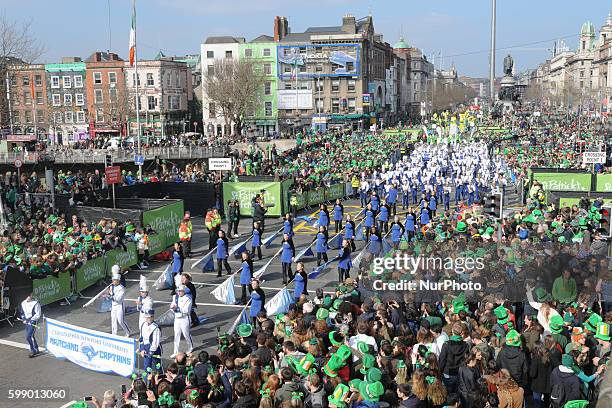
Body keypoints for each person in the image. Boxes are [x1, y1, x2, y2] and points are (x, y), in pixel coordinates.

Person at [171, 284, 193, 358]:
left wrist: (177, 308)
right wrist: (172, 307)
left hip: (185, 318)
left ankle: (190, 347)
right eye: (178, 291)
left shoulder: (188, 298)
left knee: (186, 334)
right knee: (176, 335)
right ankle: (175, 351)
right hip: (177, 318)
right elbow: (172, 306)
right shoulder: (175, 297)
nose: (179, 292)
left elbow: (186, 310)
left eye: (180, 291)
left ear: (184, 291)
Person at [108, 271, 130, 337]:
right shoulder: (111, 287)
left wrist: (110, 294)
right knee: (113, 320)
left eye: (115, 280)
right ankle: (114, 334)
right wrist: (107, 295)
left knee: (120, 321)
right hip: (113, 306)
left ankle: (127, 332)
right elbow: (111, 297)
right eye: (113, 280)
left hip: (120, 305)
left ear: (118, 281)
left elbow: (118, 299)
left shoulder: (122, 288)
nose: (113, 281)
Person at [20, 292, 41, 357]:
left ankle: (33, 350)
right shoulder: (23, 303)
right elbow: (22, 312)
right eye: (26, 296)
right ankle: (36, 348)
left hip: (33, 321)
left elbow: (38, 314)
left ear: (31, 295)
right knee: (31, 336)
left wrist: (31, 320)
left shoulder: (36, 303)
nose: (28, 297)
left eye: (29, 295)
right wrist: (23, 319)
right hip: (26, 321)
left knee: (28, 336)